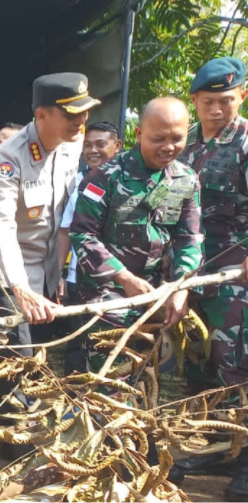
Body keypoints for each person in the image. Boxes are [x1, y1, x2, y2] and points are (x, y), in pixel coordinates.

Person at [70, 97, 200, 370]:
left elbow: (190, 238)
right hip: (107, 290)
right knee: (111, 370)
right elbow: (83, 236)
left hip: (153, 291)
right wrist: (125, 278)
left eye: (177, 138)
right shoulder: (106, 176)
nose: (168, 147)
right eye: (158, 139)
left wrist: (180, 287)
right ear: (139, 134)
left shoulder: (186, 179)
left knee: (143, 369)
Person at [0, 72, 99, 342]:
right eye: (71, 115)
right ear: (41, 115)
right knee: (16, 359)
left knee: (39, 354)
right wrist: (20, 287)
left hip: (45, 272)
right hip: (6, 277)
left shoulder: (73, 142)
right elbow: (1, 225)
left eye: (85, 113)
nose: (80, 122)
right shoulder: (9, 157)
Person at [172, 56, 248, 501]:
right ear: (195, 101)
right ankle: (216, 446)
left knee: (235, 365)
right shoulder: (188, 146)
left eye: (224, 100)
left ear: (241, 95)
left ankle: (244, 460)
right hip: (194, 274)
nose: (216, 110)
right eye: (207, 102)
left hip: (238, 274)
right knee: (199, 362)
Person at [57, 121, 122, 373]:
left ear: (117, 146)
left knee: (111, 343)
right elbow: (65, 232)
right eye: (88, 145)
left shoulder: (130, 181)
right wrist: (60, 275)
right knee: (77, 340)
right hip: (79, 279)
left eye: (100, 144)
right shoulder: (78, 182)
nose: (93, 150)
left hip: (117, 281)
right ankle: (73, 401)